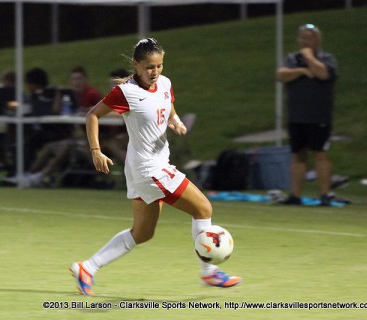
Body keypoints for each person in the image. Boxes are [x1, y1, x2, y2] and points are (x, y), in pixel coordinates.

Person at [70, 38, 242, 296]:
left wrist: (175, 119)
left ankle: (87, 267)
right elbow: (93, 115)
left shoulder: (164, 83)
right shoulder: (125, 92)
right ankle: (209, 273)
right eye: (149, 67)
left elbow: (167, 101)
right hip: (149, 170)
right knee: (204, 208)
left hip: (151, 168)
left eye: (159, 66)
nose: (155, 72)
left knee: (142, 233)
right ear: (137, 65)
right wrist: (96, 150)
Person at [276, 24, 338, 206]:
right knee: (298, 154)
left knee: (320, 153)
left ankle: (325, 194)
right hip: (296, 116)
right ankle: (295, 195)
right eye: (303, 37)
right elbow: (281, 74)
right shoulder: (292, 59)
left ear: (318, 39)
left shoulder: (327, 59)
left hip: (318, 116)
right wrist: (302, 70)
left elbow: (323, 74)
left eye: (310, 37)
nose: (306, 41)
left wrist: (310, 57)